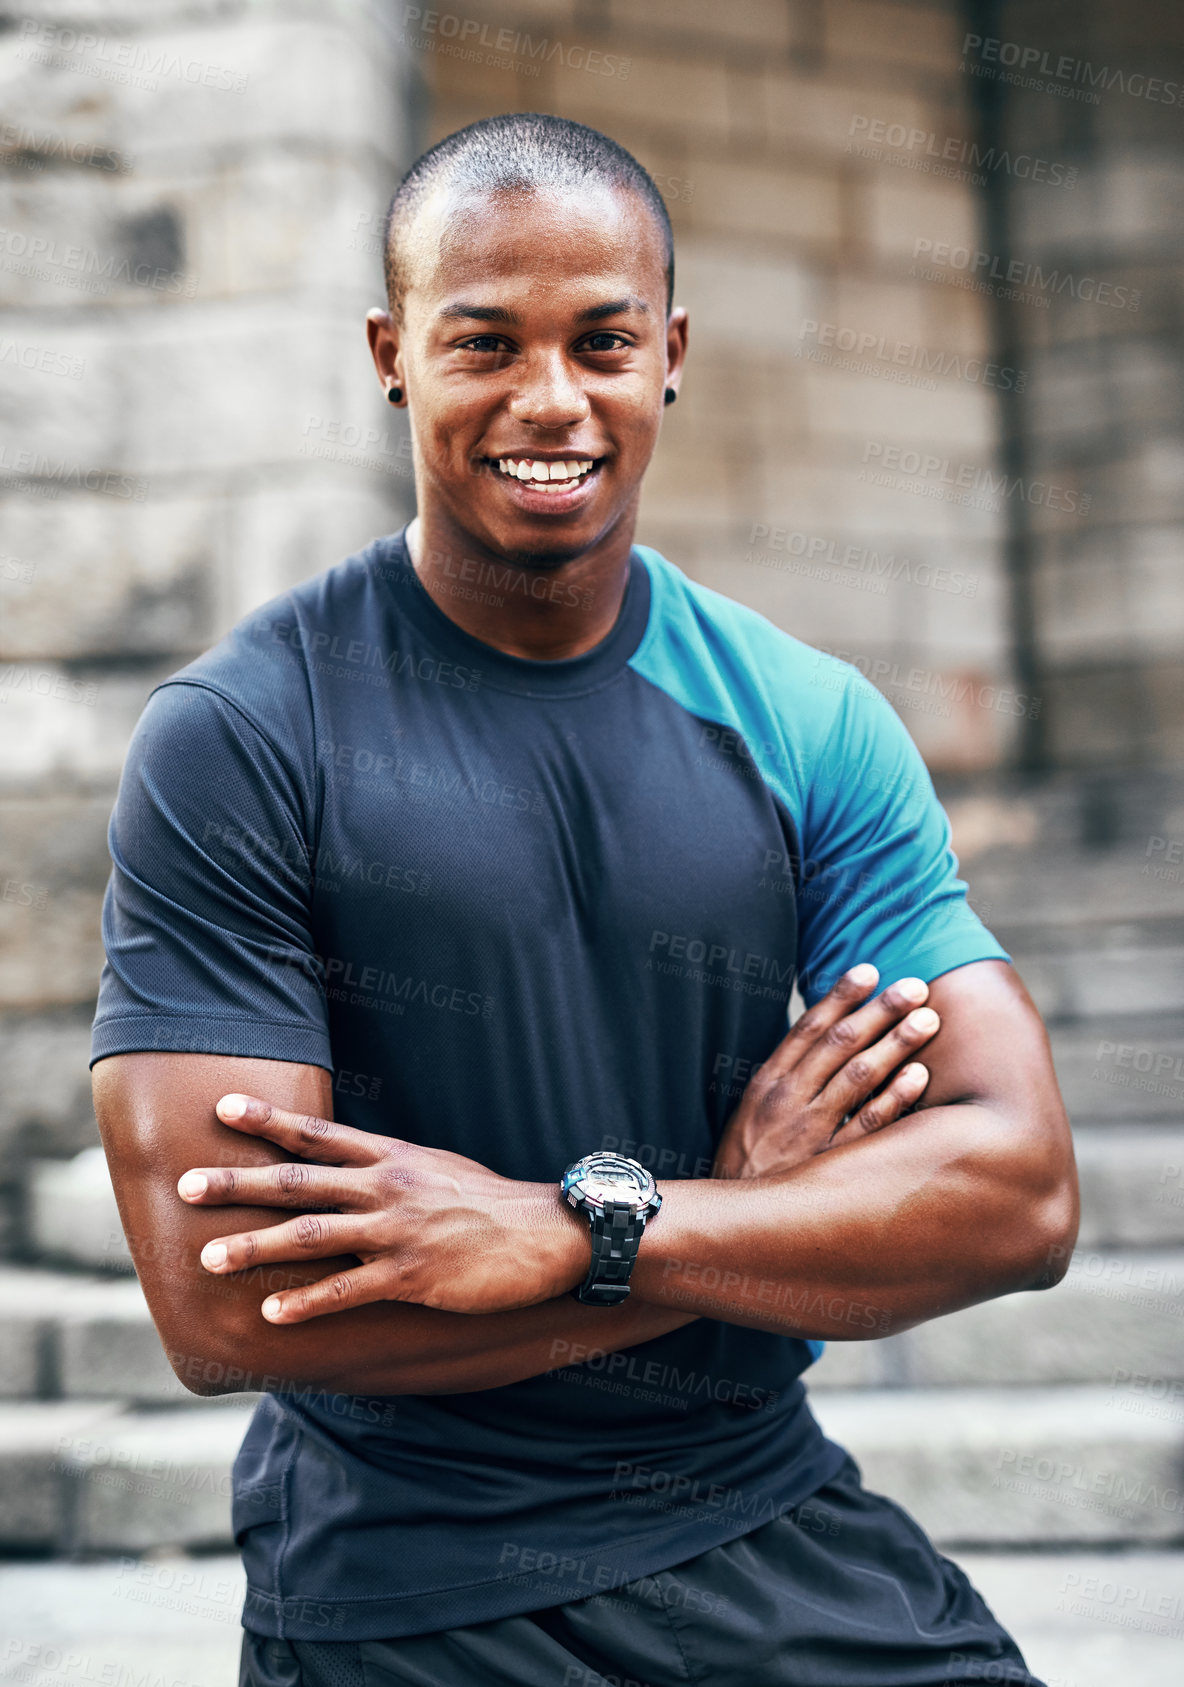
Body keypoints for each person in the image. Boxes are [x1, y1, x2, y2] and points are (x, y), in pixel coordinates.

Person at [92, 114, 1076, 1687]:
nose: (551, 400)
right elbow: (236, 1316)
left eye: (602, 340)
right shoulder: (246, 733)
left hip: (758, 1513)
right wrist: (728, 1227)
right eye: (483, 341)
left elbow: (1018, 1196)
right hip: (406, 1576)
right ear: (391, 353)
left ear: (669, 352)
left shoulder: (805, 720)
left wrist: (578, 1232)